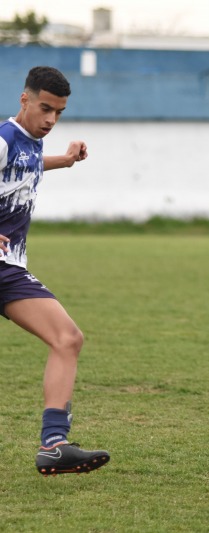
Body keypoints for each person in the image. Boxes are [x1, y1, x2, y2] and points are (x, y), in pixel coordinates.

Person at [0, 66, 110, 476]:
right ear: (24, 99)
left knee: (67, 338)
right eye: (45, 108)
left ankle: (54, 444)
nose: (51, 119)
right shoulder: (4, 137)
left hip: (8, 271)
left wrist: (64, 160)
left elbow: (25, 166)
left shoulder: (27, 144)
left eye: (59, 113)